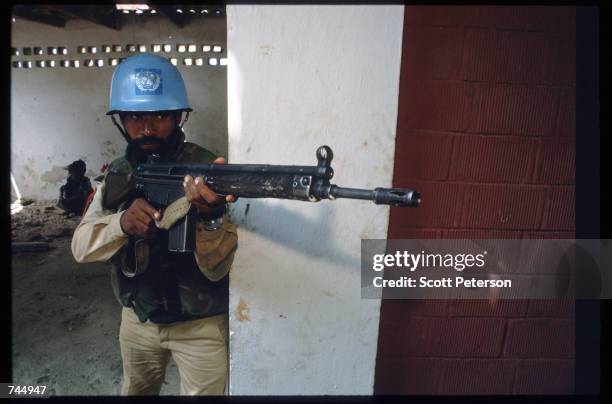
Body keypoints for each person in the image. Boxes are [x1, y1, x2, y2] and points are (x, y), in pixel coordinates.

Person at [71, 53, 238, 396]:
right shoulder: (116, 175)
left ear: (179, 117)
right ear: (121, 120)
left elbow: (222, 263)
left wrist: (210, 216)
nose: (147, 128)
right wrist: (121, 223)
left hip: (201, 326)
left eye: (160, 115)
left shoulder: (208, 170)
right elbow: (81, 247)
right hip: (138, 320)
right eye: (134, 117)